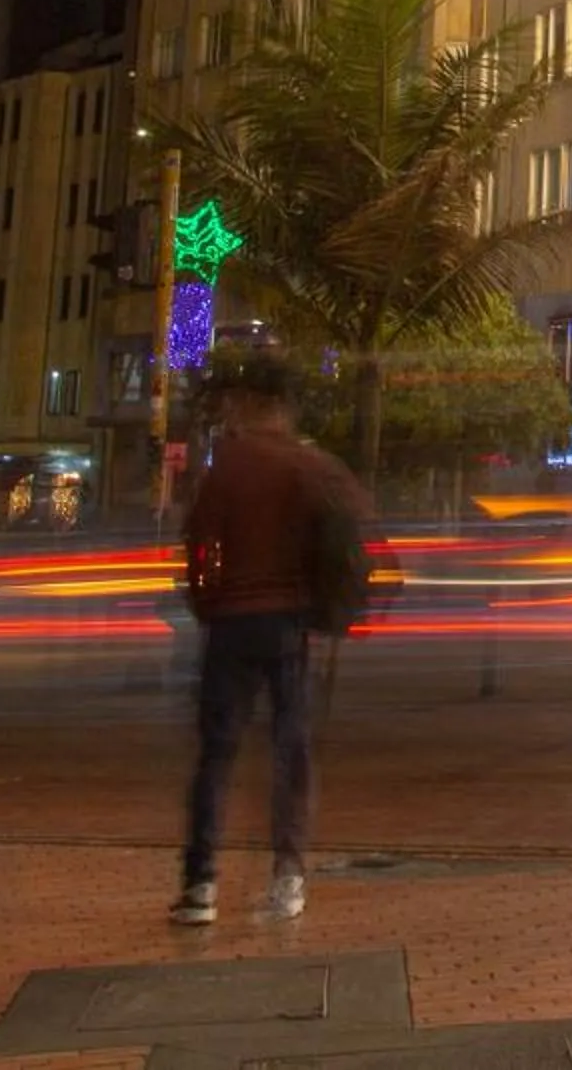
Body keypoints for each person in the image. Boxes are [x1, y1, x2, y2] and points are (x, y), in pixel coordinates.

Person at [174, 351, 369, 927]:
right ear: (285, 407)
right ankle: (287, 877)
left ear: (253, 405)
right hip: (290, 624)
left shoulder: (229, 466)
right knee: (292, 749)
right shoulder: (310, 467)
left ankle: (200, 884)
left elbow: (199, 547)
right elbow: (352, 526)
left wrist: (208, 600)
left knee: (217, 752)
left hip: (232, 622)